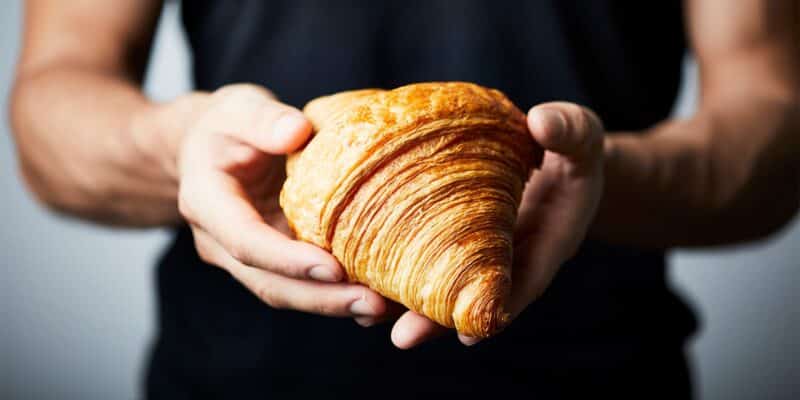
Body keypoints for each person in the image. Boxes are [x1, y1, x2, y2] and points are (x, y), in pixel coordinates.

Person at [9, 0, 799, 398]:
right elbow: (53, 101)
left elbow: (771, 125)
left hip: (600, 376)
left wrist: (586, 179)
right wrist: (182, 147)